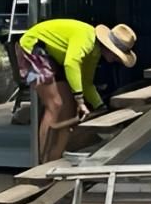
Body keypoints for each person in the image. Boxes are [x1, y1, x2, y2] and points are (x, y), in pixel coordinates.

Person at [14, 19, 137, 162]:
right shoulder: (87, 38)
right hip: (34, 47)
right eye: (117, 55)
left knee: (69, 109)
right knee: (55, 104)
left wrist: (100, 107)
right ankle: (42, 159)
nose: (117, 59)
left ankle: (54, 157)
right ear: (110, 48)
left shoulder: (95, 53)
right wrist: (80, 101)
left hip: (54, 58)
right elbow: (71, 63)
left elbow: (86, 82)